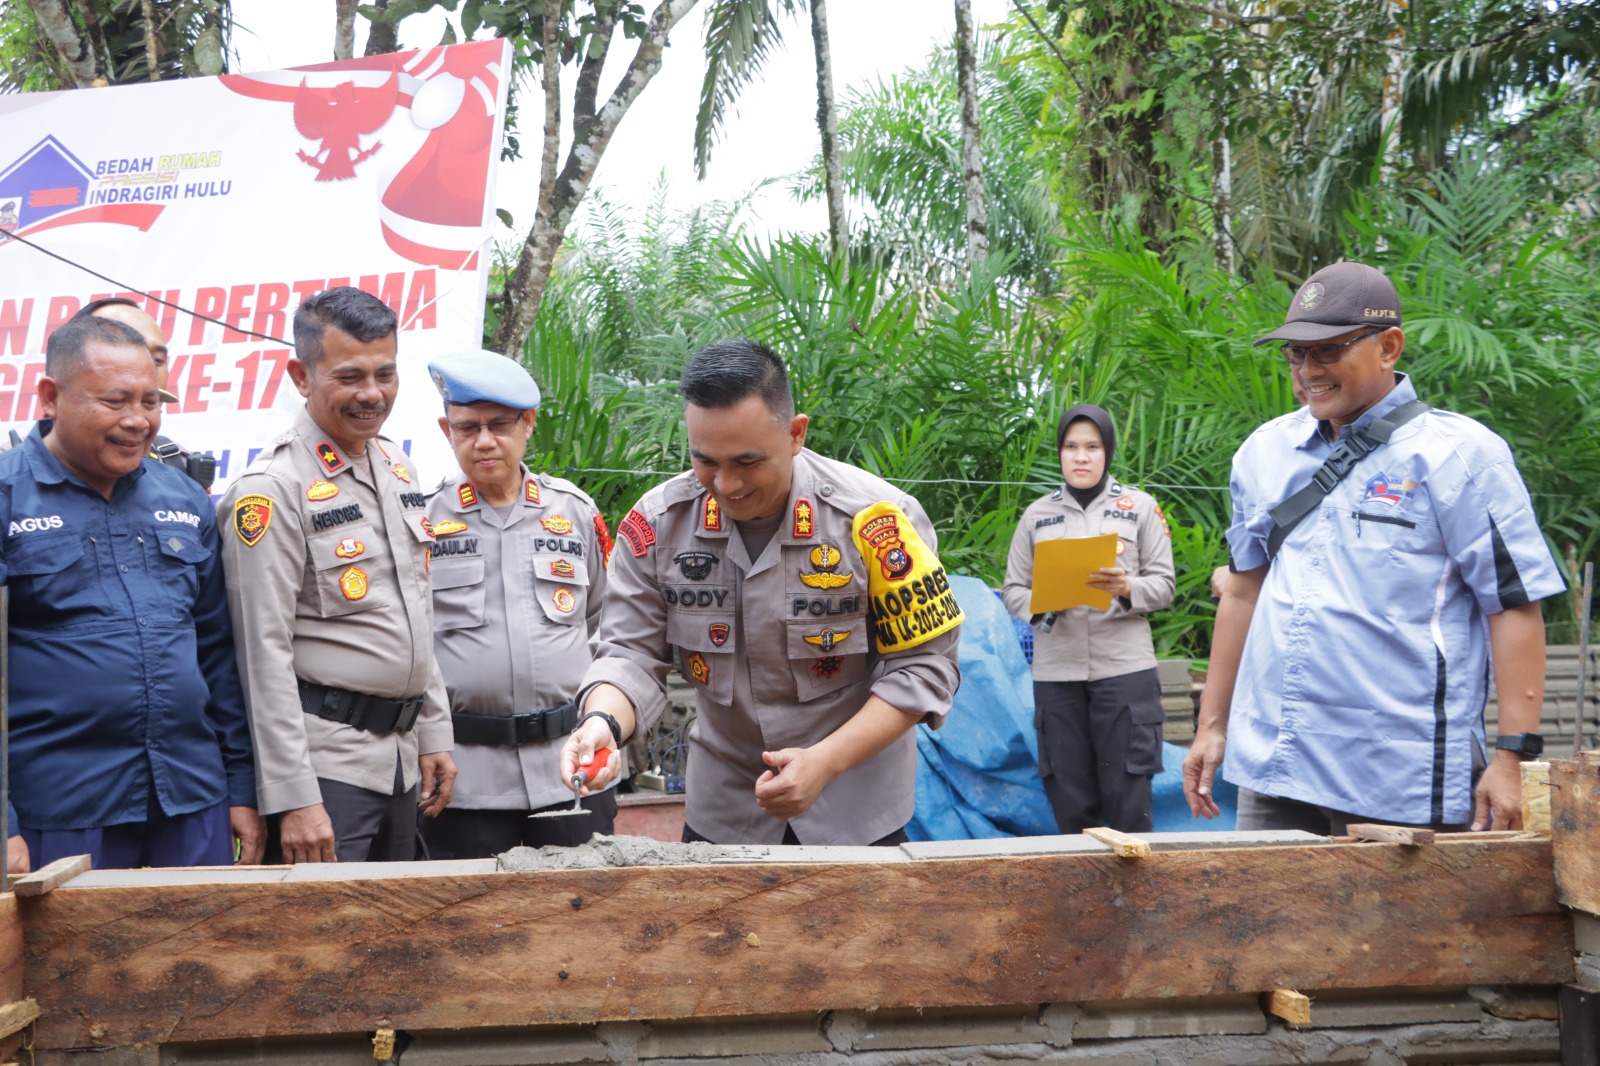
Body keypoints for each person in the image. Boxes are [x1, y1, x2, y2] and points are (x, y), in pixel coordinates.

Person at [1183, 261, 1565, 834]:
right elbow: (1243, 591)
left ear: (1388, 347)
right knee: (1264, 897)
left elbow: (1512, 603)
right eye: (1295, 354)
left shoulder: (1459, 455)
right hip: (1275, 763)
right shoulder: (1264, 452)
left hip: (1396, 775)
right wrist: (1212, 726)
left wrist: (1512, 759)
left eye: (1328, 350)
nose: (1308, 370)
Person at [558, 338, 964, 847]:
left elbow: (924, 666)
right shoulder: (659, 525)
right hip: (725, 813)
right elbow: (629, 653)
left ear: (796, 434)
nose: (726, 484)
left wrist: (826, 762)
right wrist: (602, 722)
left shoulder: (878, 521)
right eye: (705, 461)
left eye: (747, 462)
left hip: (855, 810)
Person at [0, 316, 261, 872]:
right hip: (61, 810)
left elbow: (217, 653)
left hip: (191, 798)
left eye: (150, 401)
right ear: (51, 396)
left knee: (205, 933)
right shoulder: (7, 498)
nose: (138, 420)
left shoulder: (184, 498)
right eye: (115, 401)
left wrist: (241, 787)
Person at [217, 287, 456, 863]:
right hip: (326, 775)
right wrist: (294, 796)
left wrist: (434, 732)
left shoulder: (397, 466)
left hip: (401, 764)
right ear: (301, 377)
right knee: (321, 924)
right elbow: (261, 656)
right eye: (349, 377)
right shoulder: (271, 489)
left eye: (385, 374)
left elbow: (417, 611)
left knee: (399, 922)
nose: (372, 393)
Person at [420, 349, 615, 857]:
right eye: (467, 428)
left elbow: (609, 627)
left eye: (500, 425)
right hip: (465, 778)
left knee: (584, 902)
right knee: (473, 907)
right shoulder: (420, 522)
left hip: (570, 766)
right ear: (446, 431)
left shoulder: (574, 513)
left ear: (528, 424)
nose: (484, 441)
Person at [1001, 404, 1176, 833]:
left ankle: (1134, 878)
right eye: (1071, 447)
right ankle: (1079, 880)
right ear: (1060, 453)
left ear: (1108, 451)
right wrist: (1044, 601)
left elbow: (1164, 586)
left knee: (1129, 796)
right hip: (1057, 673)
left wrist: (1126, 587)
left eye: (1092, 447)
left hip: (1125, 671)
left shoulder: (1140, 508)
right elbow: (1013, 590)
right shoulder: (1037, 515)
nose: (1081, 457)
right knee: (1069, 797)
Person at [75, 297, 216, 490]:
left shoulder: (178, 469)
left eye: (156, 359)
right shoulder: (31, 479)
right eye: (115, 402)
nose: (137, 423)